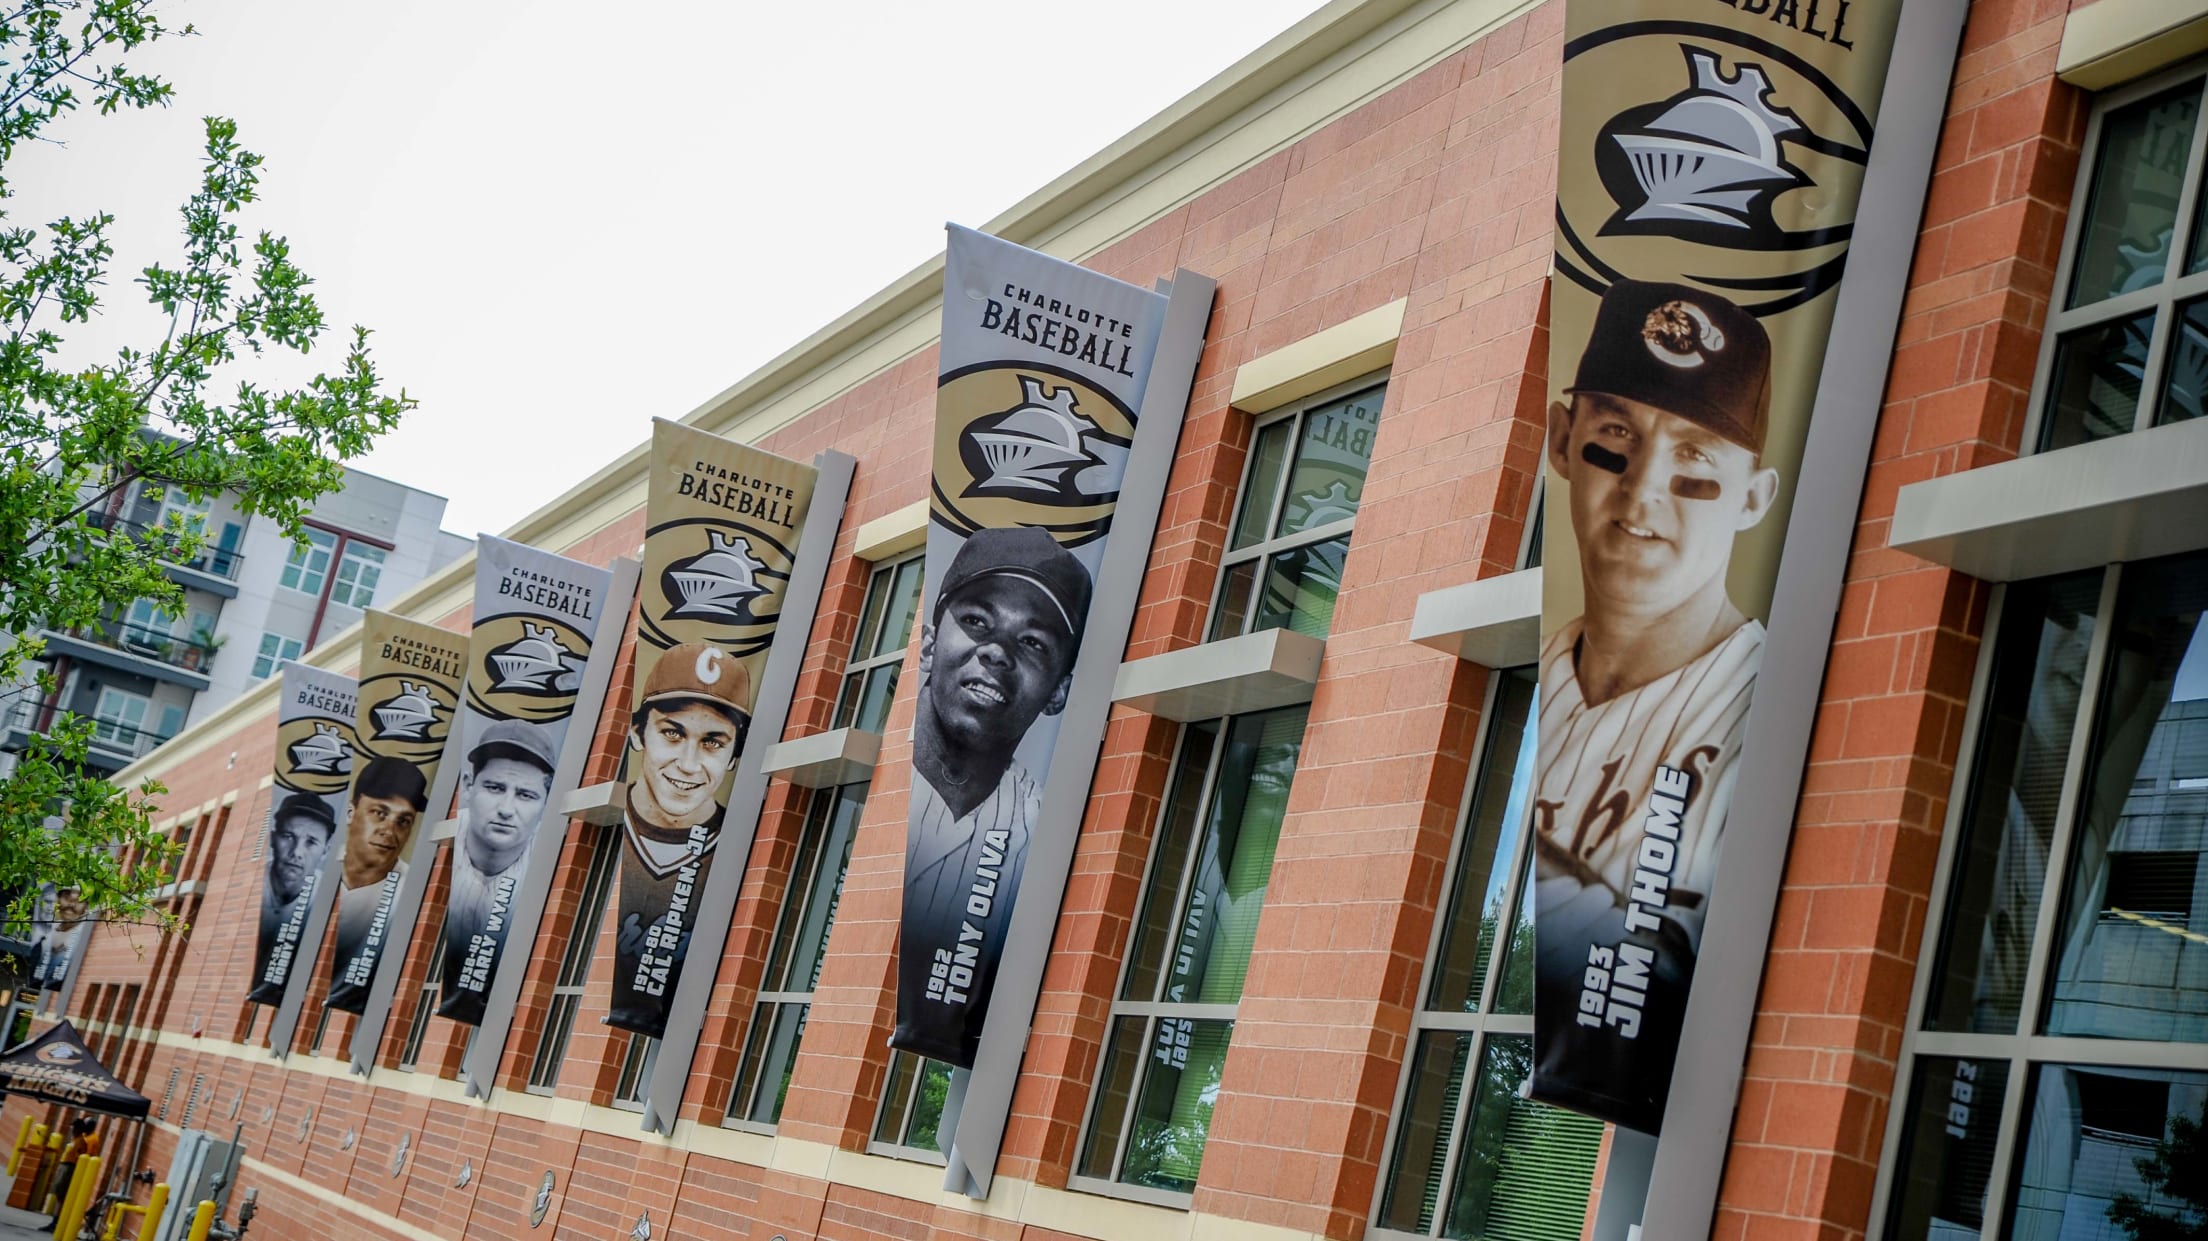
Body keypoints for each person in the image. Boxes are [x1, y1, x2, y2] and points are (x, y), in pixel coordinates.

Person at [1530, 278, 1779, 1131]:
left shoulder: (1776, 721)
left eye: (1697, 470)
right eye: (1613, 442)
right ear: (1562, 440)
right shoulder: (1527, 680)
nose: (1641, 499)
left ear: (1753, 498)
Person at [892, 525, 1090, 1066]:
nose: (997, 652)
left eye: (1033, 643)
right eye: (977, 621)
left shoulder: (1042, 840)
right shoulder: (873, 796)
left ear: (1059, 692)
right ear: (931, 643)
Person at [607, 641, 751, 1035]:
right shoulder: (614, 838)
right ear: (637, 733)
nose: (688, 764)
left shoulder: (740, 846)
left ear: (734, 756)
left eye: (712, 742)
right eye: (672, 733)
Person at [436, 719, 557, 1023]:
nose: (506, 808)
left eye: (525, 795)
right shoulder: (445, 855)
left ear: (545, 802)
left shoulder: (548, 864)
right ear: (468, 785)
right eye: (494, 787)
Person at [327, 756, 430, 1010]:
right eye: (379, 813)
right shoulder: (316, 876)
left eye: (403, 821)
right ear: (351, 812)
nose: (389, 830)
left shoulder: (414, 893)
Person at [250, 791, 336, 1002]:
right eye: (288, 837)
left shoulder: (329, 898)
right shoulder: (252, 887)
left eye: (311, 842)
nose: (297, 852)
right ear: (272, 839)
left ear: (325, 851)